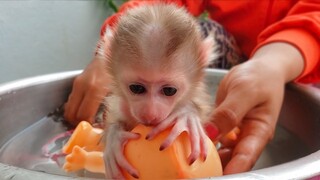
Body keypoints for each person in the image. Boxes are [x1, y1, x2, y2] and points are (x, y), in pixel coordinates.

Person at [64, 0, 320, 175]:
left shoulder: (189, 85)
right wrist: (111, 139)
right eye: (137, 88)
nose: (152, 113)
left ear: (201, 63)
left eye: (168, 91)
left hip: (303, 73)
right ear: (110, 60)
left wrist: (275, 64)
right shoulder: (134, 80)